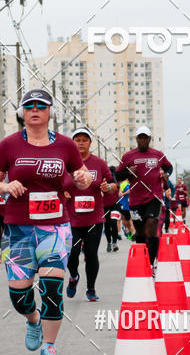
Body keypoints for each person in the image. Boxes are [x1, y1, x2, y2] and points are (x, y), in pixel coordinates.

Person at [0, 88, 91, 355]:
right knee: (19, 295)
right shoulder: (8, 145)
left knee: (52, 287)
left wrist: (83, 178)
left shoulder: (66, 145)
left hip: (55, 228)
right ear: (22, 112)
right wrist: (5, 185)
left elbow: (81, 176)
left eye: (41, 106)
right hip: (18, 229)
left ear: (50, 112)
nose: (35, 110)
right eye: (29, 105)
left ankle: (50, 347)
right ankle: (33, 320)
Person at [64, 128, 116, 302]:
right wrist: (62, 193)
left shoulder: (99, 163)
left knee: (91, 254)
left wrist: (108, 187)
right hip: (72, 219)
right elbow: (56, 186)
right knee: (72, 253)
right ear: (72, 143)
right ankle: (74, 276)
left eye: (84, 140)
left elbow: (113, 184)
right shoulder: (65, 164)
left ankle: (91, 288)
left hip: (94, 218)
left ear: (90, 143)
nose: (80, 143)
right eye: (77, 139)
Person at [116, 126, 172, 269]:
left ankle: (152, 262)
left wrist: (166, 174)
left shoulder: (158, 154)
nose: (142, 140)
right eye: (140, 137)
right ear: (136, 139)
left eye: (145, 137)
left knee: (152, 227)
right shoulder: (128, 156)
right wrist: (128, 172)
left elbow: (169, 167)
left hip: (154, 198)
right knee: (140, 234)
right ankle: (143, 261)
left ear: (149, 139)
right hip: (136, 200)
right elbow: (118, 175)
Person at [103, 166, 120, 253]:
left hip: (115, 205)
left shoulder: (115, 180)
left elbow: (118, 188)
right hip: (104, 205)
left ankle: (115, 243)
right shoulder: (102, 181)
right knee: (106, 225)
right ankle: (109, 242)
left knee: (113, 222)